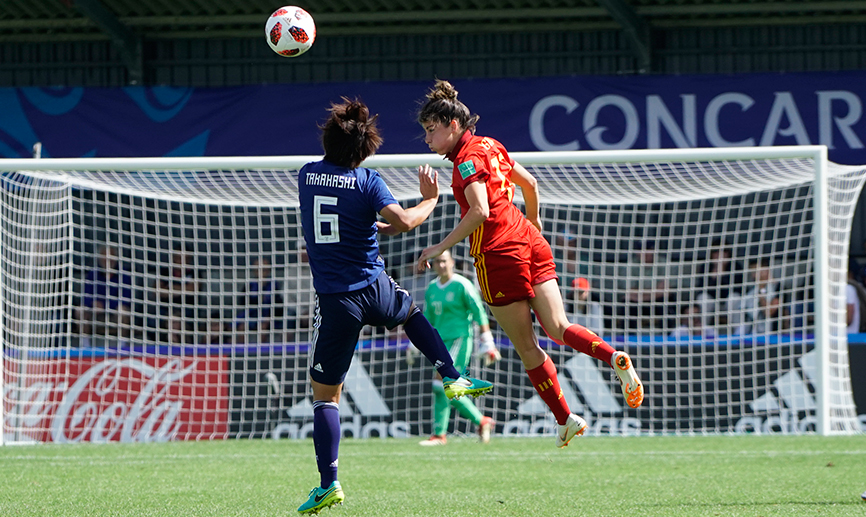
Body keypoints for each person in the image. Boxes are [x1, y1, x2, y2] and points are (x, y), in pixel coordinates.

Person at [414, 79, 643, 449]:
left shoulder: (465, 161)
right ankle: (612, 355)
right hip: (529, 239)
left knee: (528, 346)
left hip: (497, 255)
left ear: (452, 125)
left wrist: (438, 245)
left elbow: (480, 211)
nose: (427, 140)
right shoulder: (491, 144)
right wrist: (534, 221)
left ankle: (565, 418)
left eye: (430, 130)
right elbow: (530, 183)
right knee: (559, 326)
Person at [295, 97, 493, 515]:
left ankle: (328, 483)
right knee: (411, 314)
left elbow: (341, 213)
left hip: (337, 300)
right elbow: (402, 223)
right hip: (375, 286)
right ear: (367, 149)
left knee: (325, 399)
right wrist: (430, 201)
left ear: (328, 140)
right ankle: (453, 375)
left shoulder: (307, 176)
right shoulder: (369, 183)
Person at [418, 249, 499, 446]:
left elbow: (478, 311)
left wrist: (487, 339)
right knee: (447, 387)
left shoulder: (463, 284)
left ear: (452, 262)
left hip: (459, 339)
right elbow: (428, 317)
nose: (441, 265)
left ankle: (440, 434)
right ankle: (479, 422)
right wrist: (417, 342)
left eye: (444, 261)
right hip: (440, 341)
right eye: (437, 262)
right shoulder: (432, 288)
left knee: (442, 383)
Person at [76, 245, 133, 345]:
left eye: (111, 256)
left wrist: (105, 305)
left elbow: (126, 298)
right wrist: (93, 304)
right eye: (104, 256)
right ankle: (85, 345)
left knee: (123, 311)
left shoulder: (124, 275)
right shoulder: (93, 274)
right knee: (80, 310)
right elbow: (86, 295)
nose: (107, 259)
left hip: (115, 312)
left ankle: (122, 345)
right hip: (96, 313)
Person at [234, 256, 284, 344]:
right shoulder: (250, 285)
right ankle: (241, 353)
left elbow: (279, 305)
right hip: (252, 315)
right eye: (258, 270)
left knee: (263, 327)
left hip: (269, 317)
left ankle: (261, 353)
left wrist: (269, 316)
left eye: (264, 270)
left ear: (268, 271)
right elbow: (243, 302)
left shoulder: (274, 285)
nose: (261, 272)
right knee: (241, 327)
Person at [737, 257, 786, 335]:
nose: (753, 275)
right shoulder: (750, 289)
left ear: (766, 270)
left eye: (756, 271)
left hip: (772, 332)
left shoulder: (778, 287)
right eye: (752, 272)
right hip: (749, 330)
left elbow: (769, 312)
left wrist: (761, 291)